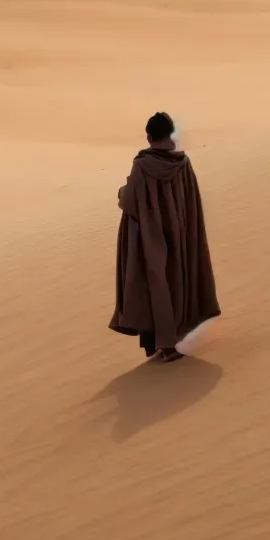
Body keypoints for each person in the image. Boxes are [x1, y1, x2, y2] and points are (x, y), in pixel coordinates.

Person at [109, 112, 220, 363]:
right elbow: (191, 199)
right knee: (176, 280)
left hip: (150, 237)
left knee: (155, 285)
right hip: (180, 233)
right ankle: (170, 339)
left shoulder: (142, 165)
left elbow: (130, 201)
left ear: (149, 137)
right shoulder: (183, 163)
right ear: (170, 134)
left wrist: (121, 192)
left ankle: (165, 345)